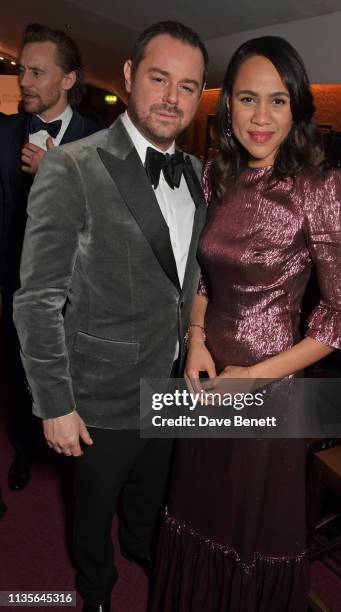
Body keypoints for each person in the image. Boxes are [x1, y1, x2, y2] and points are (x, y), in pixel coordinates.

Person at [150, 36, 341, 611]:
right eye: (248, 98)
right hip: (206, 376)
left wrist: (253, 379)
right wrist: (196, 341)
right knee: (196, 507)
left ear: (298, 107)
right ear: (228, 108)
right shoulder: (215, 177)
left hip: (268, 386)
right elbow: (203, 277)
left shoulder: (321, 189)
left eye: (278, 100)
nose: (261, 116)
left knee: (245, 528)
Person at [13, 21, 208, 612]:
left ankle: (143, 546)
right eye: (158, 78)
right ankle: (95, 585)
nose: (173, 97)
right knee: (93, 510)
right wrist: (55, 404)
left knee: (152, 493)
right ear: (128, 76)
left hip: (171, 384)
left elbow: (190, 277)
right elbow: (37, 297)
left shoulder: (198, 173)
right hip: (100, 391)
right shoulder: (71, 166)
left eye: (189, 86)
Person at [0, 23, 99, 492]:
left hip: (77, 294)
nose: (24, 82)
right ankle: (23, 448)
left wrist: (58, 176)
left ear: (67, 80)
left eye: (38, 72)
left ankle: (73, 460)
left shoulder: (99, 142)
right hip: (14, 288)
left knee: (72, 379)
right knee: (21, 375)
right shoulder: (3, 133)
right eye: (24, 71)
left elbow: (109, 222)